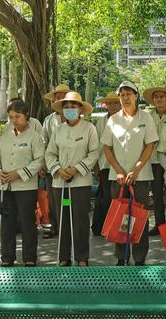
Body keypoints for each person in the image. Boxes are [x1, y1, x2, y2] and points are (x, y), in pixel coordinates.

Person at [102, 81, 158, 266]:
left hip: (140, 177)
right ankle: (121, 257)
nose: (125, 98)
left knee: (140, 218)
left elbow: (150, 145)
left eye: (129, 94)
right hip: (117, 178)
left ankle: (140, 258)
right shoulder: (113, 120)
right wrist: (119, 171)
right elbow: (107, 148)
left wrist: (136, 169)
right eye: (122, 95)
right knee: (119, 217)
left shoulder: (146, 118)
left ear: (136, 96)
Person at [45, 92, 99, 266]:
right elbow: (50, 153)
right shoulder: (58, 130)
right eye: (66, 107)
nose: (69, 110)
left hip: (80, 183)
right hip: (60, 184)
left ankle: (82, 257)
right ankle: (63, 257)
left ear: (80, 109)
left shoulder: (89, 128)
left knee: (80, 220)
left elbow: (94, 153)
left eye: (73, 107)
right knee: (63, 219)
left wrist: (76, 169)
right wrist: (58, 170)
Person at [0, 101, 45, 266]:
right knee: (7, 223)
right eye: (11, 117)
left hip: (26, 187)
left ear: (26, 115)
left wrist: (19, 174)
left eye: (18, 116)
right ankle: (7, 258)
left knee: (28, 223)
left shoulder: (35, 137)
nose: (14, 120)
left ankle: (29, 258)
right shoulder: (5, 136)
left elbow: (39, 161)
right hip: (4, 187)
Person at [142, 86, 166, 236]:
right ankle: (159, 224)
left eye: (162, 96)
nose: (159, 99)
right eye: (156, 97)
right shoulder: (147, 117)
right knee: (156, 193)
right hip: (154, 160)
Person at [41, 83, 70, 239]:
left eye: (63, 96)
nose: (60, 99)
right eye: (57, 97)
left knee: (67, 199)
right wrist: (44, 163)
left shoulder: (76, 118)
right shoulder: (49, 120)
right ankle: (54, 225)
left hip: (71, 167)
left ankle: (68, 226)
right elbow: (43, 142)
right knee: (53, 198)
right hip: (53, 165)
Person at [91, 92, 121, 236]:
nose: (113, 106)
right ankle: (104, 227)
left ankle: (117, 227)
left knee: (119, 198)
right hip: (105, 165)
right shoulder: (101, 122)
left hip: (122, 166)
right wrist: (96, 166)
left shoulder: (126, 120)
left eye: (115, 102)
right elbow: (95, 146)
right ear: (105, 105)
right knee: (105, 198)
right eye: (110, 103)